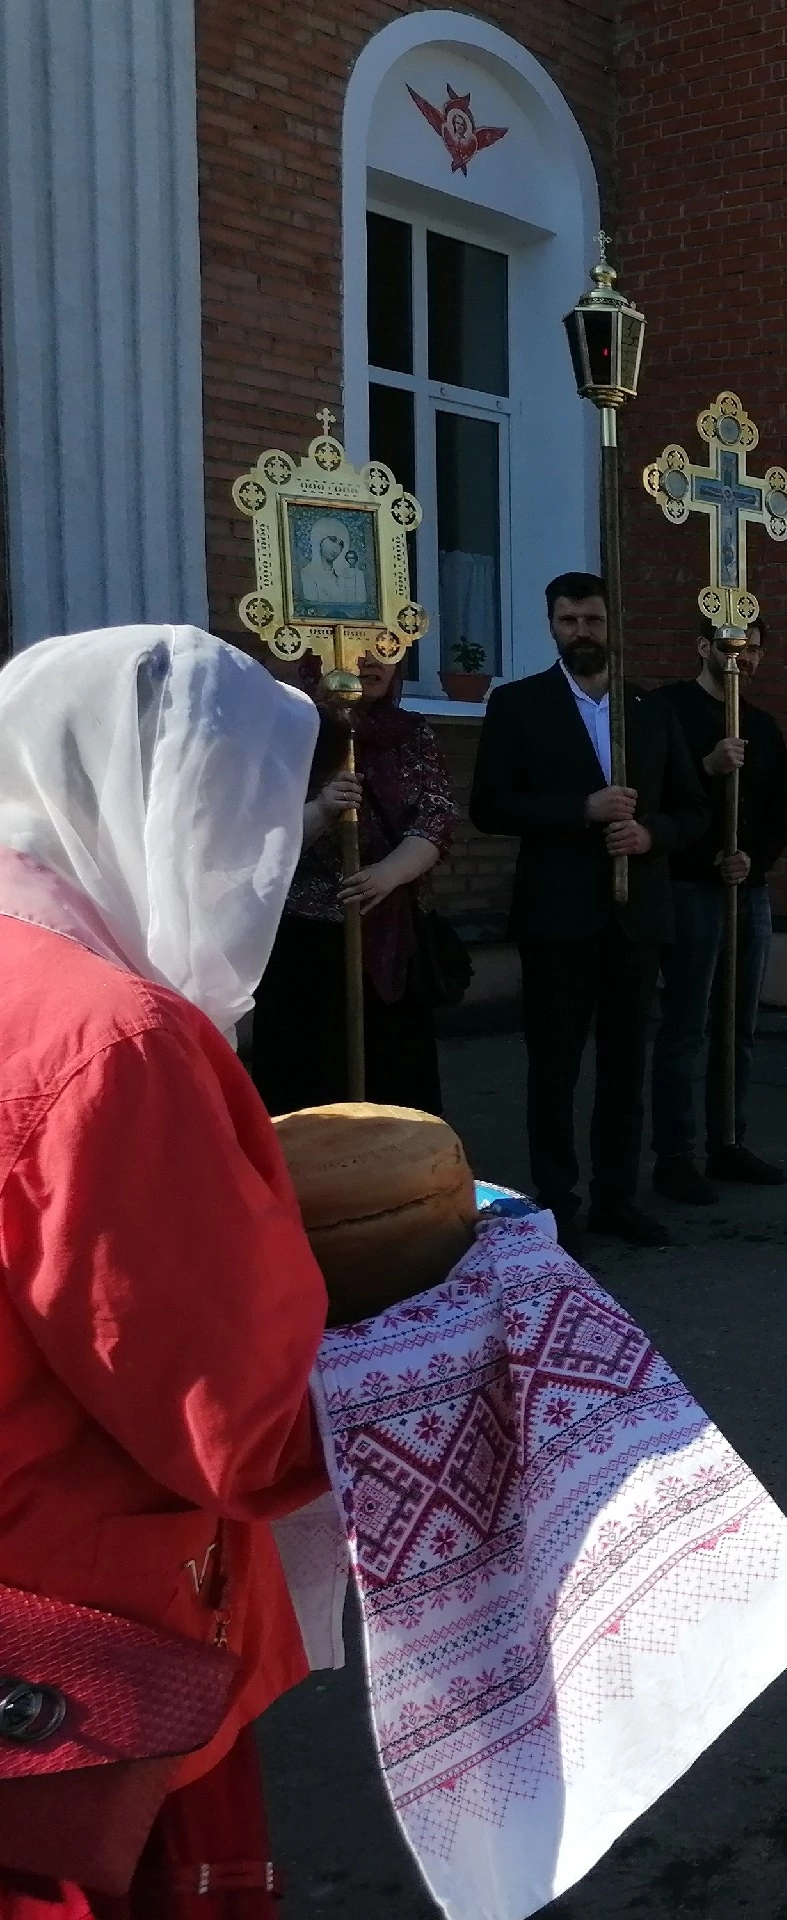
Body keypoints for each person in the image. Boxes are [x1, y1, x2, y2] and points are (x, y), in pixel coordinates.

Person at [0, 625, 332, 1918]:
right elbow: (231, 1419)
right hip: (77, 1667)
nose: (253, 866)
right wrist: (440, 1342)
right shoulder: (111, 1039)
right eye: (236, 823)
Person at [469, 571, 708, 1247]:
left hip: (636, 918)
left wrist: (650, 833)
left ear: (612, 623)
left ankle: (616, 1195)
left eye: (593, 621)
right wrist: (581, 810)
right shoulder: (520, 705)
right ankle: (555, 1201)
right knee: (554, 1065)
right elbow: (491, 805)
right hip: (558, 915)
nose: (582, 633)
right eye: (569, 621)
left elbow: (693, 809)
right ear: (551, 625)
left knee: (626, 1062)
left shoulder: (650, 710)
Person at [248, 650, 459, 1115]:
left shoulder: (411, 732)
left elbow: (438, 815)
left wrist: (388, 874)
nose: (370, 663)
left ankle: (395, 1182)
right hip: (308, 945)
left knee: (394, 1082)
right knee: (309, 1085)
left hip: (390, 937)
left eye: (384, 650)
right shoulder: (289, 733)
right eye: (355, 651)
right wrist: (322, 809)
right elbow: (257, 836)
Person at [646, 618, 787, 1201]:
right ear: (703, 646)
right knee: (686, 1023)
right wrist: (707, 767)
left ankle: (728, 1140)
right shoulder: (669, 711)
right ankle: (675, 1155)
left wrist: (752, 861)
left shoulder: (761, 725)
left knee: (739, 1025)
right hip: (687, 887)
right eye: (735, 649)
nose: (746, 661)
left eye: (756, 650)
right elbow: (652, 792)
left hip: (745, 889)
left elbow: (782, 811)